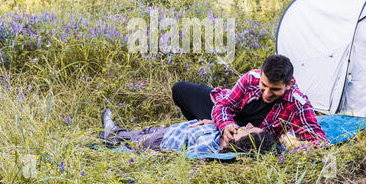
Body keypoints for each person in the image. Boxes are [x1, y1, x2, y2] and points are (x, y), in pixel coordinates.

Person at [172, 54, 330, 148]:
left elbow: (320, 142)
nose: (267, 94)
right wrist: (224, 124)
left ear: (288, 85)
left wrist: (293, 143)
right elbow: (224, 106)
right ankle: (210, 127)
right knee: (180, 89)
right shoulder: (251, 78)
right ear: (261, 75)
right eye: (264, 86)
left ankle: (209, 132)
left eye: (275, 90)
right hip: (232, 119)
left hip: (250, 133)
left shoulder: (298, 104)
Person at [99, 108, 276, 155]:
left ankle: (111, 134)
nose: (249, 125)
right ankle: (117, 133)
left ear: (238, 142)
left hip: (162, 141)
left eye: (249, 130)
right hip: (171, 130)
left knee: (134, 140)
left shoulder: (209, 148)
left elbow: (189, 155)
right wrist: (214, 123)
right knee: (142, 131)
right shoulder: (227, 131)